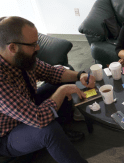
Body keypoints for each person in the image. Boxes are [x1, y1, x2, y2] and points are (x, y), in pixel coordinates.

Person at [0, 16, 95, 163]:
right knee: (47, 130)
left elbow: (51, 72)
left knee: (65, 75)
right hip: (8, 135)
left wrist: (79, 75)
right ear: (12, 47)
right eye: (33, 44)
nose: (37, 47)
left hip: (27, 107)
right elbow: (38, 118)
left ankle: (62, 130)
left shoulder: (21, 57)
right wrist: (63, 91)